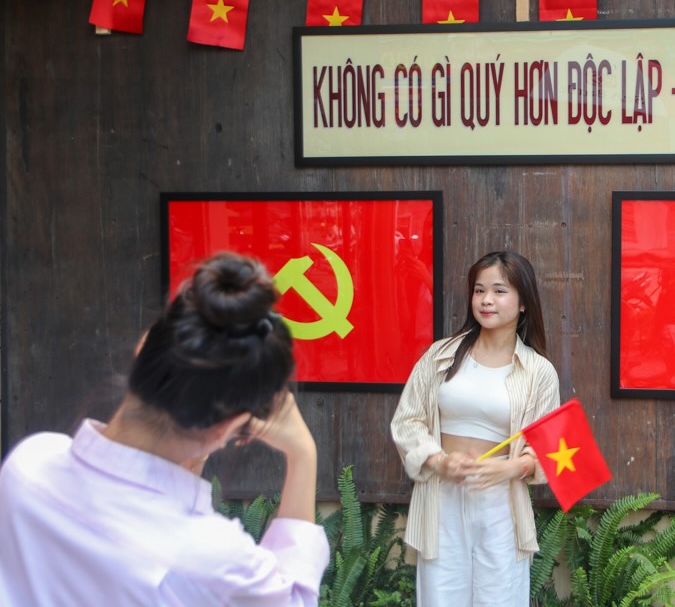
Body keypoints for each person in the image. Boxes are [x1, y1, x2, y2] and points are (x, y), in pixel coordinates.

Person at [0, 252, 330, 607]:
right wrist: (302, 453)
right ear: (231, 426)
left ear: (143, 348)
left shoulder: (29, 463)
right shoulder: (210, 556)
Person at [391, 251, 560, 607]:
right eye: (479, 290)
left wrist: (510, 468)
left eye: (499, 291)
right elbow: (407, 422)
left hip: (501, 506)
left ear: (523, 302)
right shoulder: (440, 356)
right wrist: (439, 462)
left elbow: (549, 447)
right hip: (441, 499)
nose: (486, 300)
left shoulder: (538, 372)